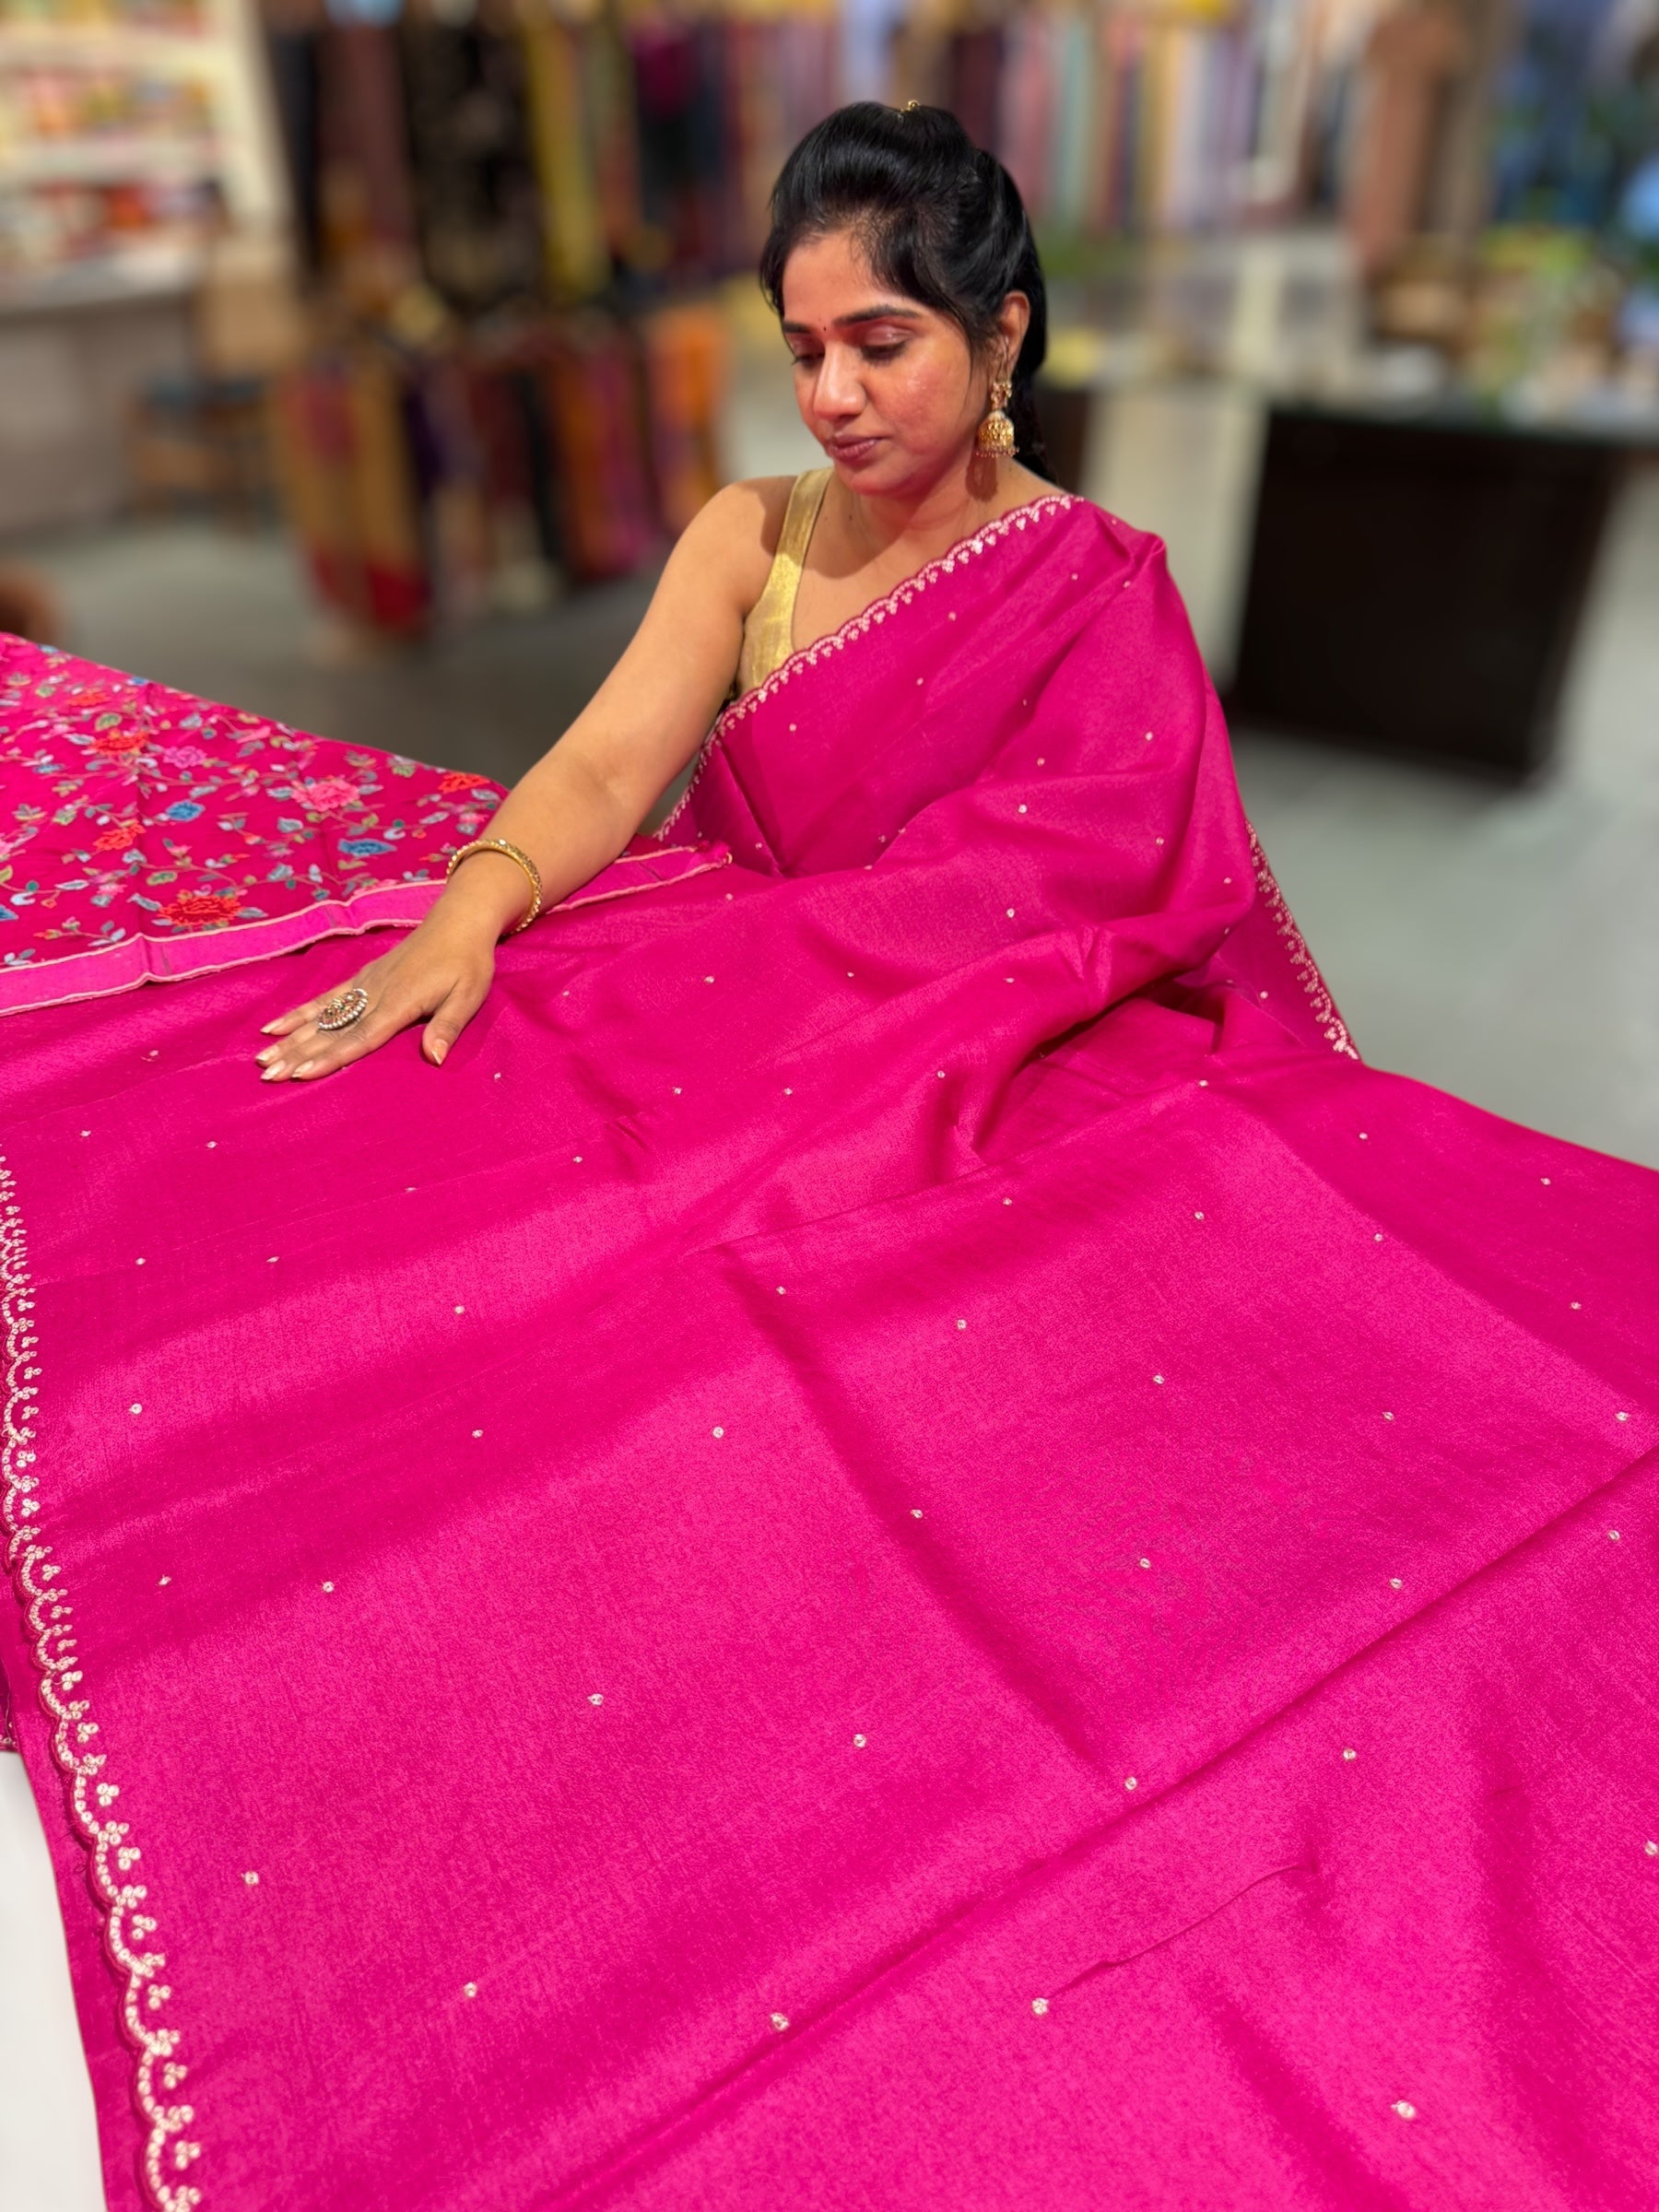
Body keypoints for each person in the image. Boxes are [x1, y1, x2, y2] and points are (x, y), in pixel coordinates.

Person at [2, 104, 1656, 2212]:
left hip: (960, 1029)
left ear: (1004, 329)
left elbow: (1098, 880)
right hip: (740, 997)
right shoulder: (749, 538)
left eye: (883, 341)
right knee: (389, 1193)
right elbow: (611, 758)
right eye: (804, 348)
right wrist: (475, 904)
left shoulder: (1094, 591)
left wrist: (870, 1006)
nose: (836, 395)